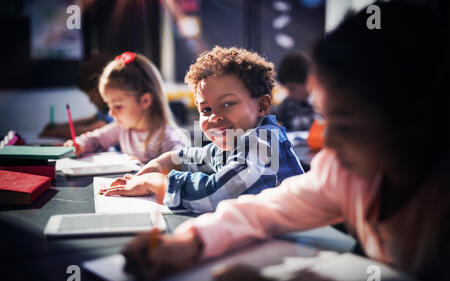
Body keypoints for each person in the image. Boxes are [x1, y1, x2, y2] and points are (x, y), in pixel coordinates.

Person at [118, 1, 450, 281]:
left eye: (347, 125)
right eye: (325, 116)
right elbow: (264, 210)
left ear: (419, 119)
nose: (328, 144)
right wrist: (191, 243)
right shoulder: (345, 172)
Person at [99, 46, 304, 213]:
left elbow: (213, 195)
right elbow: (188, 157)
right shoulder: (233, 141)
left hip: (297, 243)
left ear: (262, 106)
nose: (214, 117)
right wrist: (156, 166)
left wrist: (155, 181)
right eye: (205, 109)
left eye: (227, 104)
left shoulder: (261, 144)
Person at [64, 52, 188, 164]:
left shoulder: (168, 139)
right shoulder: (122, 130)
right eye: (109, 105)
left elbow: (184, 167)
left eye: (117, 106)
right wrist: (80, 145)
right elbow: (95, 139)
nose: (111, 113)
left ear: (145, 101)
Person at [40, 54, 114, 139]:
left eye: (92, 96)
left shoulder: (114, 108)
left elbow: (101, 126)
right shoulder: (104, 109)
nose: (90, 101)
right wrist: (61, 126)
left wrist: (58, 132)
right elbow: (92, 119)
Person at [273, 52, 315, 131]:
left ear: (308, 81)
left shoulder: (323, 104)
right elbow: (273, 120)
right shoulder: (288, 104)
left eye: (292, 89)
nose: (290, 94)